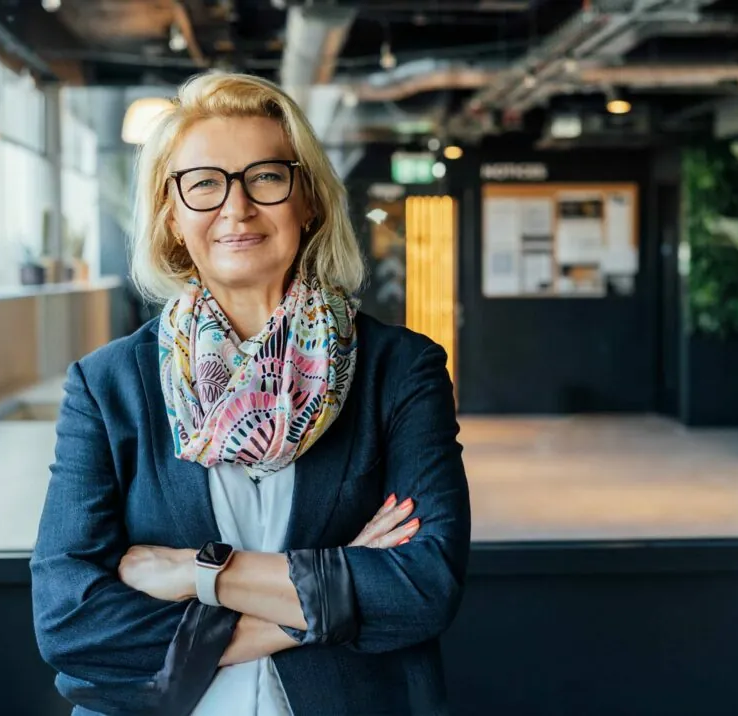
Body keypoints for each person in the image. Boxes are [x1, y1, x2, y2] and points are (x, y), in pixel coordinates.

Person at [30, 71, 470, 716]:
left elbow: (423, 589)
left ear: (308, 200)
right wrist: (336, 586)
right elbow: (70, 622)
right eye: (204, 183)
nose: (236, 208)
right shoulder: (108, 385)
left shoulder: (400, 370)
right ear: (172, 215)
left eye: (265, 177)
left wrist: (197, 573)